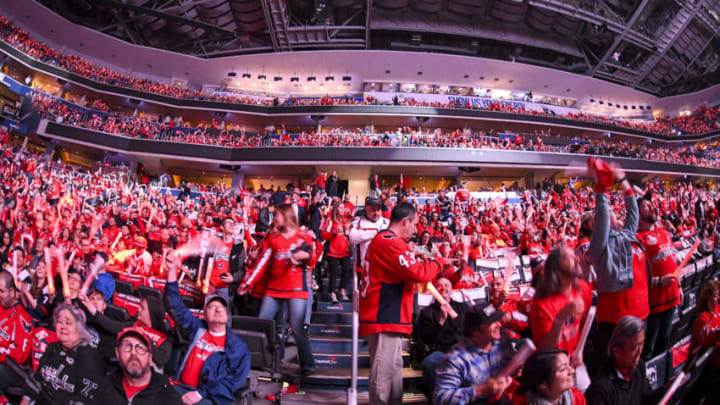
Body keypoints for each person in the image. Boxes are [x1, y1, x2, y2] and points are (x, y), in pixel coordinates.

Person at [360, 202, 443, 405]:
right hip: (384, 316)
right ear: (406, 221)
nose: (416, 230)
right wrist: (438, 262)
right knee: (384, 377)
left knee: (393, 372)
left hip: (387, 316)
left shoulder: (386, 241)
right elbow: (419, 273)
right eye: (414, 225)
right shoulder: (390, 242)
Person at [587, 161, 654, 371]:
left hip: (641, 314)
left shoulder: (627, 236)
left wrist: (624, 181)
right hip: (616, 320)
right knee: (614, 370)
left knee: (636, 366)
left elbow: (633, 213)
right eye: (597, 220)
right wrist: (602, 189)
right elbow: (604, 215)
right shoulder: (598, 246)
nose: (608, 216)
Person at [238, 204, 317, 376]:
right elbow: (262, 263)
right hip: (274, 289)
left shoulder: (304, 237)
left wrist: (304, 257)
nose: (274, 219)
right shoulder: (273, 240)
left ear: (286, 216)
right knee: (262, 323)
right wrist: (248, 282)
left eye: (277, 216)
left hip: (297, 289)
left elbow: (312, 261)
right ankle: (264, 360)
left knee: (297, 328)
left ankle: (308, 364)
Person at [165, 250, 251, 405]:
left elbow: (233, 382)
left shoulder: (238, 346)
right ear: (203, 315)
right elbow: (174, 306)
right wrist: (171, 271)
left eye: (221, 308)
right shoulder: (197, 328)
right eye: (212, 307)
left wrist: (200, 393)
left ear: (227, 316)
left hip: (210, 397)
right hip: (182, 387)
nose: (218, 309)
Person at [22, 303, 106, 405]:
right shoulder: (52, 348)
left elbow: (85, 400)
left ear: (79, 328)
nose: (63, 326)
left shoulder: (89, 356)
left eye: (69, 323)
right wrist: (25, 401)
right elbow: (37, 379)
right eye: (59, 322)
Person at [433, 302, 514, 405]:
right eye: (492, 322)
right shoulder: (456, 359)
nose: (498, 325)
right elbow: (440, 398)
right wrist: (480, 390)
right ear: (476, 329)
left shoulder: (502, 341)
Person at [636, 193, 682, 359]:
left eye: (652, 205)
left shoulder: (665, 233)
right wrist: (659, 282)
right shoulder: (637, 239)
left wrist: (680, 286)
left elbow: (673, 261)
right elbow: (638, 277)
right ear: (637, 212)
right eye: (646, 206)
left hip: (673, 296)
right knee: (649, 350)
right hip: (655, 304)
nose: (652, 207)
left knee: (665, 343)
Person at [584, 316, 661, 405]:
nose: (639, 352)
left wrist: (665, 390)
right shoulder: (601, 389)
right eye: (634, 347)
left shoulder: (639, 367)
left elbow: (647, 398)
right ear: (617, 351)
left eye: (642, 344)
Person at [99, 327, 183, 404]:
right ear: (117, 353)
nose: (133, 353)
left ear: (150, 357)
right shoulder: (104, 388)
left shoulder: (169, 397)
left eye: (140, 348)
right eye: (127, 346)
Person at [416, 277, 468, 389]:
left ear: (452, 290)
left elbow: (470, 330)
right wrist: (441, 320)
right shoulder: (426, 312)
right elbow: (428, 339)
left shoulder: (463, 307)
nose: (443, 288)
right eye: (439, 286)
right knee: (429, 364)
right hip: (442, 351)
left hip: (463, 350)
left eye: (447, 285)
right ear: (434, 291)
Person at [0, 270, 33, 398]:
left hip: (13, 369)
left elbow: (20, 356)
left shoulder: (22, 319)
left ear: (12, 292)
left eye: (1, 291)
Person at [516, 349, 586, 405]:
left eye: (569, 364)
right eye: (563, 369)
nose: (572, 371)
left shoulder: (576, 397)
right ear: (543, 383)